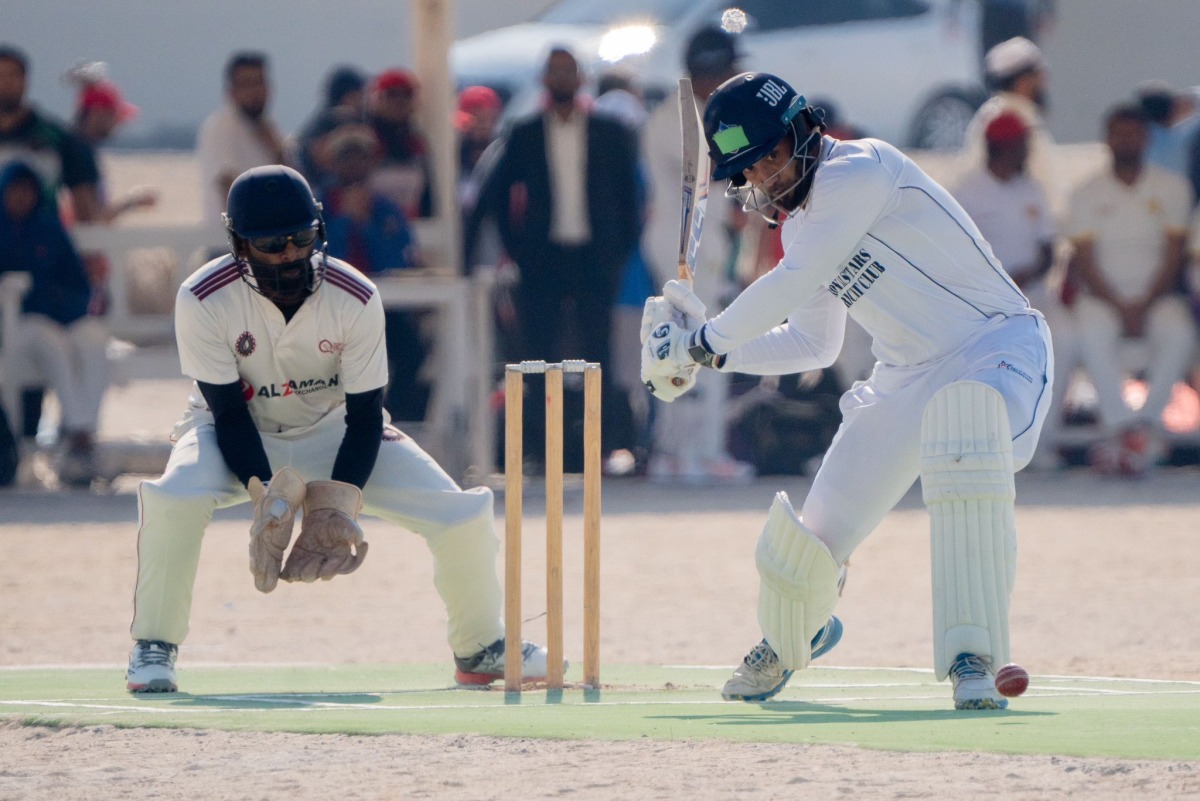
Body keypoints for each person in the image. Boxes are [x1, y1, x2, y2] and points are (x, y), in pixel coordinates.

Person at [640, 72, 1053, 710]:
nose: (763, 179)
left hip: (997, 349)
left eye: (768, 158)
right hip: (903, 379)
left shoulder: (862, 170)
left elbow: (789, 284)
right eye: (748, 171)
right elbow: (812, 345)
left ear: (802, 131)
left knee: (965, 432)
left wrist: (703, 339)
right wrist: (705, 357)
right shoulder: (800, 227)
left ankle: (975, 655)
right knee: (810, 546)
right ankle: (795, 630)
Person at [124, 165, 552, 693]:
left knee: (461, 514)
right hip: (232, 432)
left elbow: (366, 416)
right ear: (238, 245)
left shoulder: (355, 295)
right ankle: (154, 645)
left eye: (300, 239)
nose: (287, 256)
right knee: (173, 497)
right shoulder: (203, 297)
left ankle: (482, 647)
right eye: (270, 244)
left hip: (334, 430)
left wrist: (337, 501)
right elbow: (229, 414)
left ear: (318, 231)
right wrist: (269, 499)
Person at [467, 47, 640, 467]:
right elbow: (493, 196)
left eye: (569, 71)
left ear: (581, 78)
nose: (562, 79)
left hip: (594, 257)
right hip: (543, 259)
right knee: (539, 354)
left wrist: (620, 248)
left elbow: (630, 196)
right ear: (544, 80)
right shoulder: (525, 131)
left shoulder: (609, 130)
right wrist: (517, 247)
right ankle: (546, 447)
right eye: (554, 72)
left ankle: (599, 446)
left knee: (598, 351)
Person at [639, 26, 754, 484]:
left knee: (701, 343)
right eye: (726, 70)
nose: (733, 76)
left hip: (700, 243)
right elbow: (722, 168)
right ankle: (681, 453)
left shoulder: (705, 112)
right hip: (681, 247)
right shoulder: (677, 117)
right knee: (686, 346)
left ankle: (699, 451)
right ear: (706, 72)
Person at [1066, 104, 1195, 475]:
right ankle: (1119, 426)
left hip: (1156, 294)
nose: (1126, 141)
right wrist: (1122, 307)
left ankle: (1148, 424)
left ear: (1146, 138)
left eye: (1133, 134)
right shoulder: (1086, 193)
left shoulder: (1172, 188)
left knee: (1180, 331)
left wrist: (1144, 303)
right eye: (1119, 134)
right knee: (1089, 328)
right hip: (1104, 295)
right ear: (1107, 140)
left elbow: (1175, 255)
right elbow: (1085, 261)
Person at [952, 111, 1077, 469]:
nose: (1027, 150)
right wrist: (1000, 281)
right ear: (1001, 146)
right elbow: (957, 253)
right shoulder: (966, 191)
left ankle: (1041, 442)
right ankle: (988, 443)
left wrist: (1028, 276)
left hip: (1033, 294)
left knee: (1064, 340)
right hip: (981, 298)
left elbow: (1049, 249)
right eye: (1021, 143)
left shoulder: (1032, 188)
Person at [0, 161, 108, 485]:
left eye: (28, 190)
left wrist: (68, 304)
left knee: (95, 341)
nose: (21, 197)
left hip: (64, 316)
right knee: (53, 346)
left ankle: (83, 435)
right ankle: (80, 435)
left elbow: (77, 279)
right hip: (21, 322)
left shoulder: (49, 228)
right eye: (14, 191)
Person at [319, 124, 429, 423]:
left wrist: (366, 225)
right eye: (346, 156)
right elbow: (321, 258)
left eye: (362, 156)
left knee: (412, 353)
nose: (354, 164)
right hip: (331, 310)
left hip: (383, 308)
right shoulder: (319, 207)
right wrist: (344, 223)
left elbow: (398, 259)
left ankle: (396, 421)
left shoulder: (385, 209)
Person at [961, 36, 1064, 216]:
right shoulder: (1007, 121)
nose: (1044, 81)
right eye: (1039, 74)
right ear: (1023, 81)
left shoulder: (1014, 114)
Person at [0, 44, 101, 222]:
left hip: (41, 241)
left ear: (25, 80)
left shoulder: (57, 139)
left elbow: (84, 198)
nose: (5, 83)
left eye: (12, 75)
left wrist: (87, 242)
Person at [196, 52, 286, 226]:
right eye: (246, 84)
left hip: (268, 241)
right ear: (231, 92)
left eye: (259, 82)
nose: (255, 91)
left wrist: (277, 151)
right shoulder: (222, 127)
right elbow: (229, 188)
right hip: (232, 241)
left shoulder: (269, 128)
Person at [367, 68, 433, 219]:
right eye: (391, 94)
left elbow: (428, 196)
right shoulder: (366, 139)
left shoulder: (417, 143)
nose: (399, 101)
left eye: (406, 95)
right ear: (377, 99)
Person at [293, 65, 368, 195]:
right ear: (347, 96)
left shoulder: (318, 121)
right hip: (327, 192)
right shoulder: (337, 119)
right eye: (359, 94)